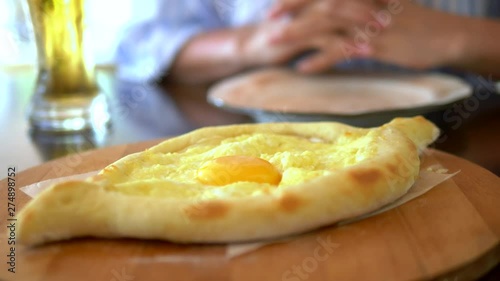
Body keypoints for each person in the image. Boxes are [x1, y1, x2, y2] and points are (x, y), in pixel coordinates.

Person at [116, 0, 500, 84]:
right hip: (254, 141)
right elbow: (143, 46)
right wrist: (250, 42)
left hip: (468, 151)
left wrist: (467, 38)